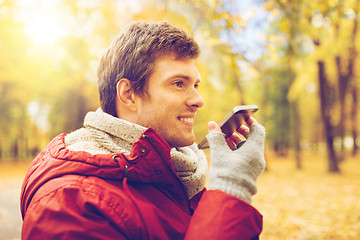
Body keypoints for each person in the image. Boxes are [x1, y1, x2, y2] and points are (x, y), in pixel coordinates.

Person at [20, 21, 266, 239]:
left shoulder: (179, 175)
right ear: (128, 95)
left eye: (196, 85)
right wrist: (230, 192)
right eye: (179, 84)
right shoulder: (70, 204)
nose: (198, 100)